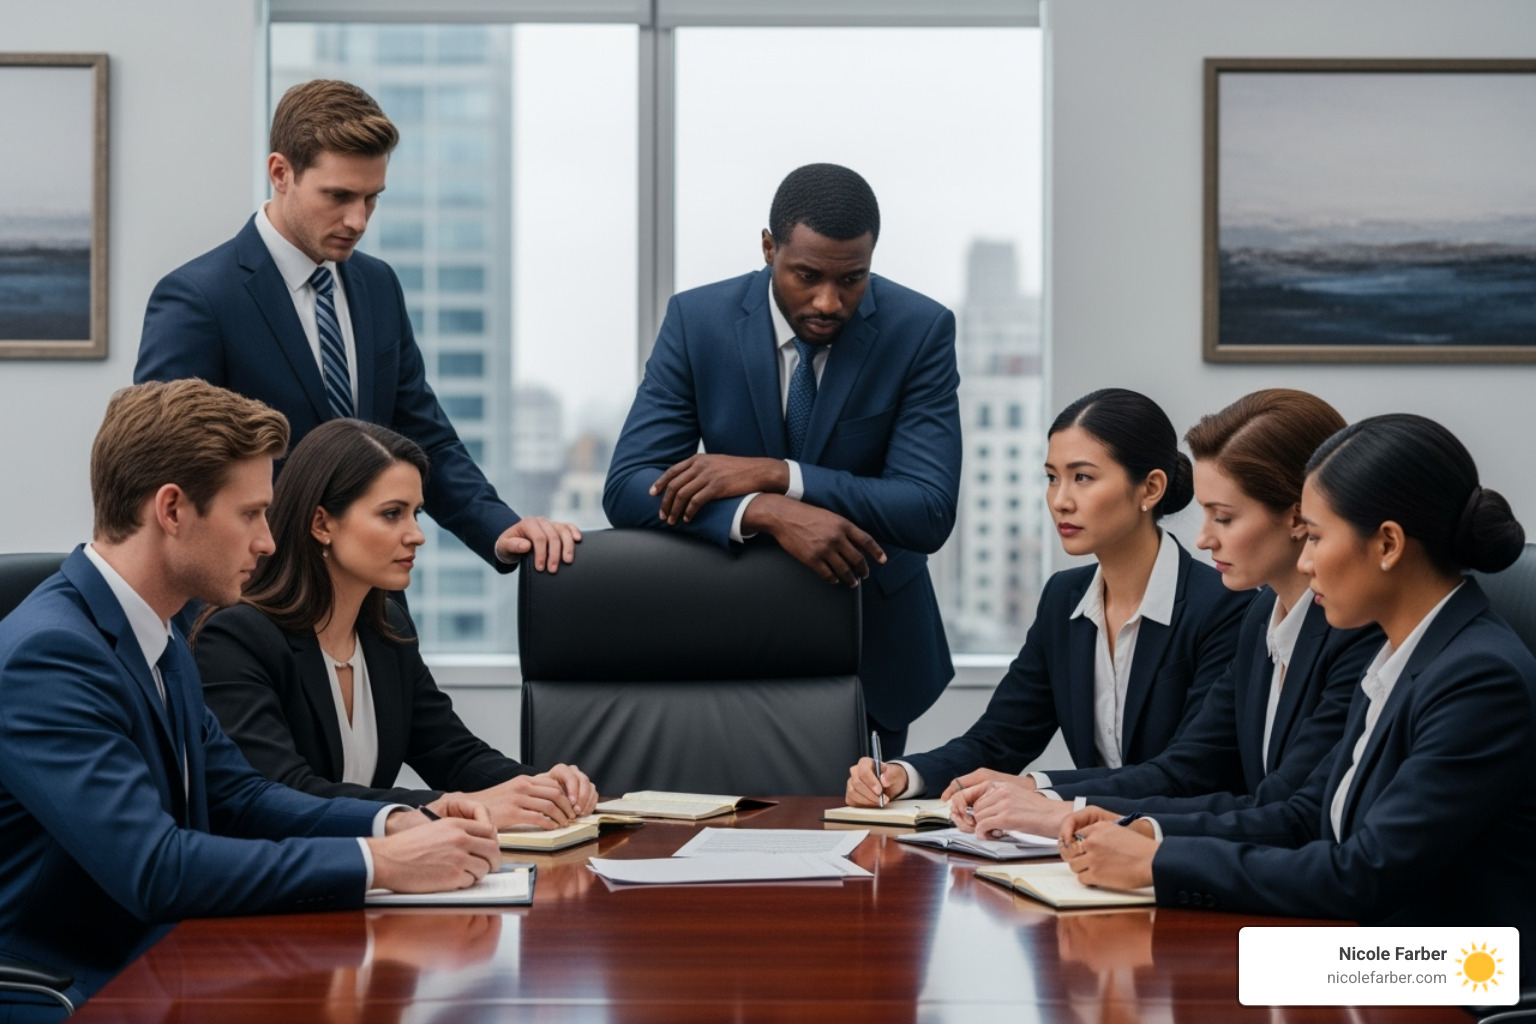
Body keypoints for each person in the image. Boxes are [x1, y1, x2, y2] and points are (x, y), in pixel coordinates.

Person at [0, 381, 500, 1014]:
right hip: (71, 988)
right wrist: (381, 861)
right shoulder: (52, 655)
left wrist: (398, 821)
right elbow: (155, 868)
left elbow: (241, 797)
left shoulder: (161, 633)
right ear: (173, 510)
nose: (267, 540)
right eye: (250, 513)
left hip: (167, 963)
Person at [1060, 414, 1536, 969]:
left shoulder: (1478, 678)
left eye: (1313, 537)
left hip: (1457, 966)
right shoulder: (1401, 653)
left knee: (1198, 974)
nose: (1304, 562)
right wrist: (1147, 833)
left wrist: (1159, 862)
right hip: (1378, 948)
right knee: (1172, 963)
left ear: (1387, 544)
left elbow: (1364, 872)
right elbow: (1305, 817)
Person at [135, 78, 578, 575]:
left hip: (372, 604)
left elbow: (422, 435)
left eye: (372, 198)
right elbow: (167, 469)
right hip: (254, 601)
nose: (359, 220)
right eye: (339, 195)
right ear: (281, 172)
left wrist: (500, 528)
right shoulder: (198, 298)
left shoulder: (378, 285)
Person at [603, 163, 961, 755]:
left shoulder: (918, 330)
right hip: (729, 636)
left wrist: (781, 474)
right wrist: (762, 509)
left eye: (852, 279)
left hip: (872, 647)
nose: (830, 301)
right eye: (807, 276)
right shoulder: (699, 322)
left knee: (866, 844)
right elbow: (629, 487)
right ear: (769, 248)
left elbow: (927, 509)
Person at [952, 390, 1383, 838]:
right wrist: (1048, 798)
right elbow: (1184, 769)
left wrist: (1068, 812)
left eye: (1224, 518)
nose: (1203, 539)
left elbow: (1287, 811)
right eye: (1051, 478)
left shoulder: (1351, 631)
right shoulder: (1261, 619)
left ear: (1298, 517)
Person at [846, 388, 1252, 804]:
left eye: (1083, 477)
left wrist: (1039, 788)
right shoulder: (1064, 599)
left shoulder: (1224, 606)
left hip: (1178, 848)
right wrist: (902, 774)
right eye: (1052, 478)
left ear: (1150, 489)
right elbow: (999, 740)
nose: (1060, 501)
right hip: (1085, 844)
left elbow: (1187, 772)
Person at [193, 418, 597, 828]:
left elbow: (453, 755)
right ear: (321, 524)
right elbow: (283, 792)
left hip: (380, 880)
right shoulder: (236, 638)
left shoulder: (388, 629)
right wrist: (445, 808)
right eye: (392, 514)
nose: (417, 534)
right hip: (285, 881)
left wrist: (543, 785)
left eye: (416, 513)